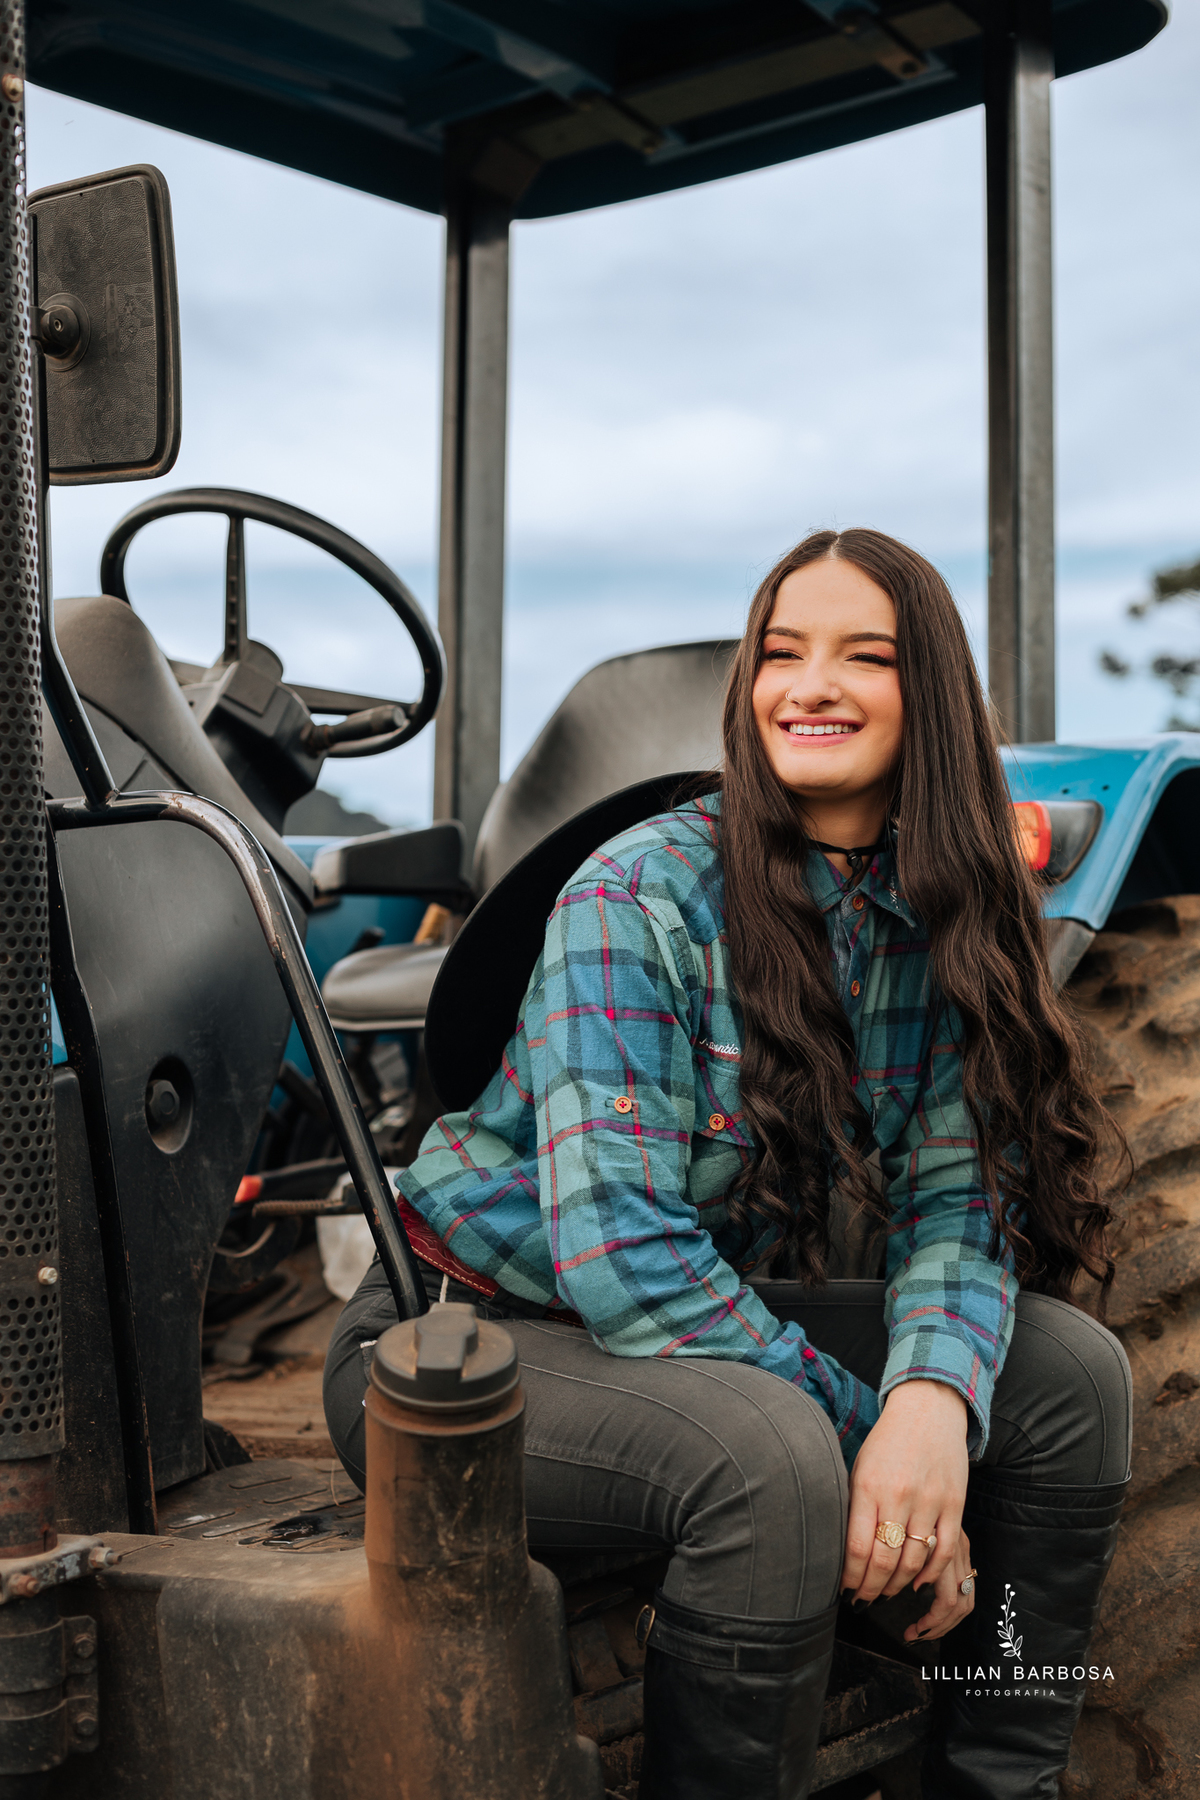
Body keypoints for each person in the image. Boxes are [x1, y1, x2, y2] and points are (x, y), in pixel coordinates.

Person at [325, 528, 1131, 1800]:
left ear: (930, 693)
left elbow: (955, 1200)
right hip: (457, 1356)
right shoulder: (635, 896)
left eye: (863, 655)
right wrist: (890, 1450)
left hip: (679, 1341)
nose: (808, 685)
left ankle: (997, 1781)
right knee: (773, 1452)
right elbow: (628, 1264)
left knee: (1071, 1379)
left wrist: (934, 1403)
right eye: (778, 654)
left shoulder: (937, 915)